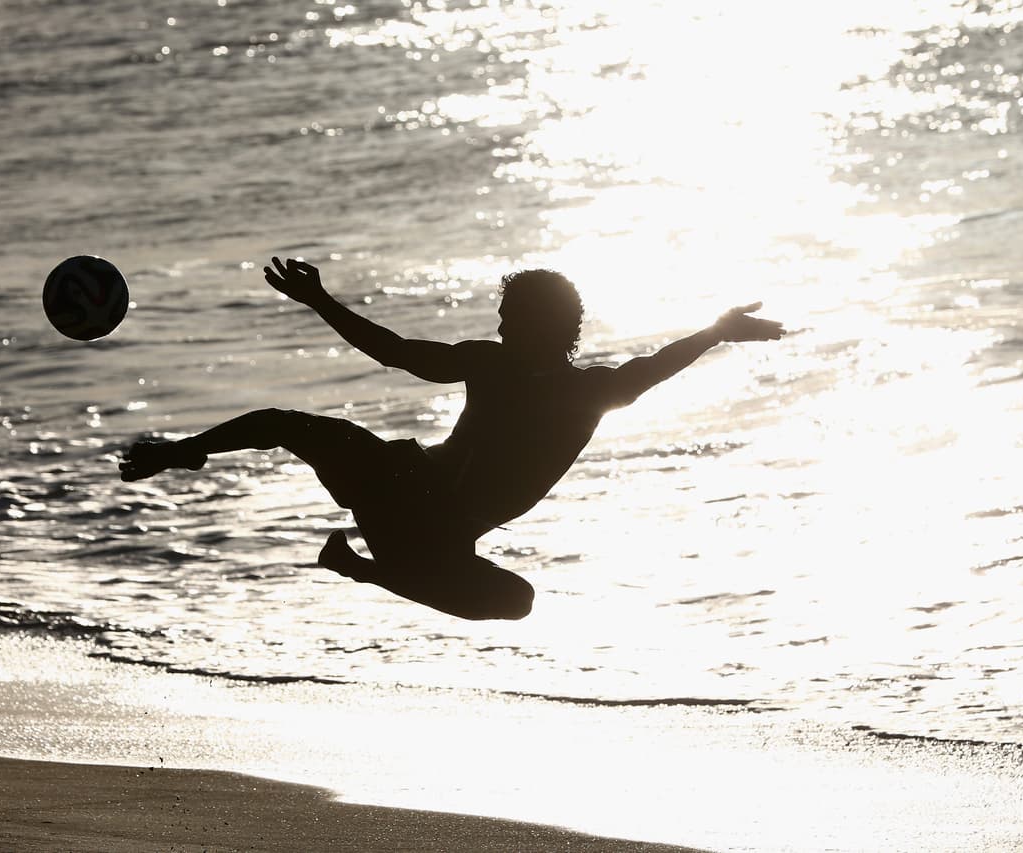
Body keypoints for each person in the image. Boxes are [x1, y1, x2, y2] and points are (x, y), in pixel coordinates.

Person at [120, 257, 786, 621]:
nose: (498, 324)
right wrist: (322, 302)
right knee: (283, 423)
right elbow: (397, 351)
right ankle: (184, 451)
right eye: (501, 314)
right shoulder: (521, 372)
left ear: (542, 326)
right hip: (406, 490)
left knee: (516, 600)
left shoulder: (582, 389)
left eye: (509, 316)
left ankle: (366, 567)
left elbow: (655, 364)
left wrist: (716, 332)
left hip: (426, 527)